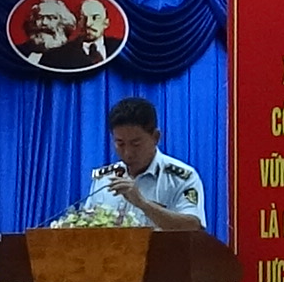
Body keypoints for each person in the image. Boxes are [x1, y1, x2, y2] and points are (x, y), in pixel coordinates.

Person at [81, 95, 206, 233]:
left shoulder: (181, 178)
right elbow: (87, 226)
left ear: (156, 137)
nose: (128, 153)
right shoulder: (104, 179)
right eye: (120, 143)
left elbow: (192, 226)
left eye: (136, 144)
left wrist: (142, 203)